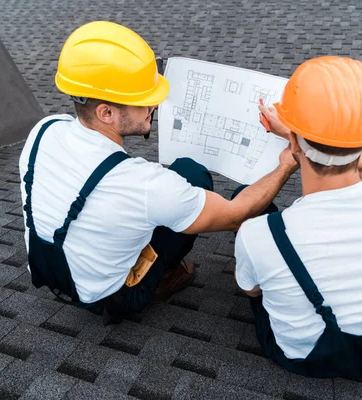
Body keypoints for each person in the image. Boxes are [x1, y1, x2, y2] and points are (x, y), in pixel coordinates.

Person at [18, 21, 298, 325]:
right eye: (143, 100)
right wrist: (287, 161)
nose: (155, 103)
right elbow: (233, 214)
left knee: (185, 172)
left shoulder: (45, 129)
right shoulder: (143, 183)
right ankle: (157, 280)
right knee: (195, 178)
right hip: (112, 295)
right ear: (106, 112)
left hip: (53, 272)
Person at [234, 56, 362, 378]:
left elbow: (252, 291)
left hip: (298, 356)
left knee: (248, 209)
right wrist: (301, 134)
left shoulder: (259, 234)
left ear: (293, 143)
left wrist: (294, 137)